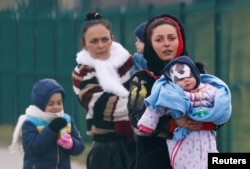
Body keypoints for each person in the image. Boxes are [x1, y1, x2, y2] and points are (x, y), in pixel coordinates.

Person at [127, 14, 221, 169]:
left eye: (171, 38)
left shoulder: (198, 72)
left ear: (180, 40)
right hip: (156, 160)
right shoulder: (142, 79)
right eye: (159, 40)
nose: (166, 44)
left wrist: (203, 122)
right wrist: (173, 123)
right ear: (150, 44)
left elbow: (219, 107)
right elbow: (136, 120)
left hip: (198, 158)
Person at [137, 56, 232, 168]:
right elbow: (156, 108)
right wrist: (148, 124)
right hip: (182, 141)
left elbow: (221, 107)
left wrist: (206, 124)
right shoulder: (171, 95)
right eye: (180, 79)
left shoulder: (210, 90)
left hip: (206, 140)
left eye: (189, 76)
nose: (186, 80)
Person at [71, 12, 135, 169]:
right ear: (84, 44)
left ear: (112, 39)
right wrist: (144, 103)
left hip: (137, 144)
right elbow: (105, 107)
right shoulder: (82, 73)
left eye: (105, 39)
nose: (101, 45)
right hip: (107, 149)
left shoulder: (128, 62)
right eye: (94, 41)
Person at [9, 78, 85, 169]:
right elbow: (32, 149)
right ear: (40, 104)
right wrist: (51, 129)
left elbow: (80, 147)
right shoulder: (31, 122)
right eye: (50, 104)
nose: (56, 107)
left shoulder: (66, 120)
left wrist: (71, 144)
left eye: (59, 103)